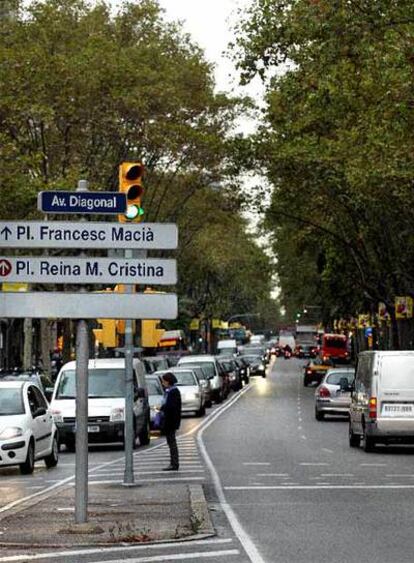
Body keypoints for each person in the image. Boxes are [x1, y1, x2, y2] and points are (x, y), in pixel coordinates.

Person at [160, 372, 182, 471]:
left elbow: (171, 407)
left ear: (168, 381)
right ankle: (173, 462)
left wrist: (163, 408)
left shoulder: (173, 392)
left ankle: (174, 463)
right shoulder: (170, 391)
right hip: (170, 420)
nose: (162, 383)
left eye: (163, 381)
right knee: (171, 442)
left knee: (172, 442)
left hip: (171, 421)